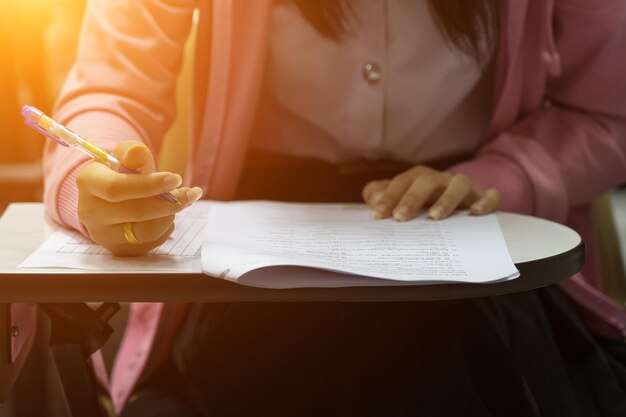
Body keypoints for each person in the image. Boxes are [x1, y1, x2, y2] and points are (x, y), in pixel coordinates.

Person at [41, 0, 626, 416]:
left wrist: (507, 175)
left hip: (466, 238)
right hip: (253, 283)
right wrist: (87, 176)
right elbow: (110, 87)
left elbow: (607, 114)